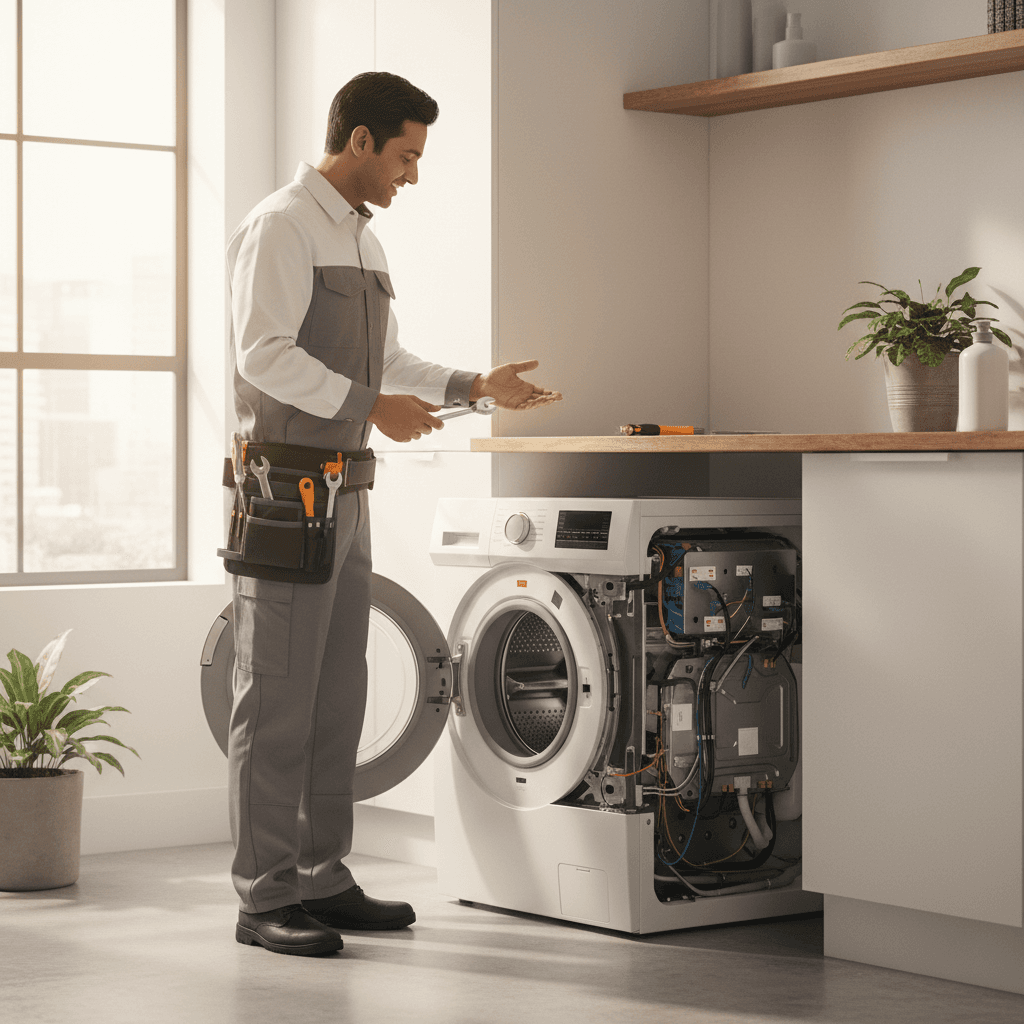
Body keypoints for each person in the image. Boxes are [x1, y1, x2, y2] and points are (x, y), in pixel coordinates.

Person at [224, 71, 561, 957]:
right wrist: (370, 403)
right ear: (361, 142)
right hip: (285, 493)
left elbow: (391, 354)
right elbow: (262, 355)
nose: (413, 173)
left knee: (338, 696)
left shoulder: (364, 244)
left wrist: (469, 387)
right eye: (406, 154)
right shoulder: (282, 225)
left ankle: (321, 877)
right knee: (278, 703)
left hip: (349, 488)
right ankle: (263, 898)